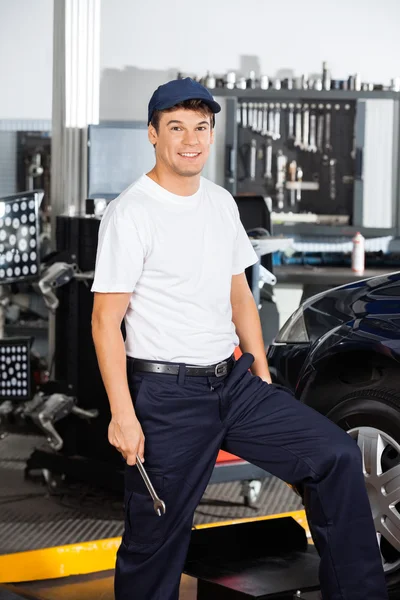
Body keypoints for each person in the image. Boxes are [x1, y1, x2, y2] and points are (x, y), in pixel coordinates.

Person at [91, 78, 388, 600]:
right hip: (167, 398)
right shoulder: (131, 213)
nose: (191, 139)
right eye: (177, 127)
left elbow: (240, 297)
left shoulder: (221, 202)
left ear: (211, 133)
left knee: (333, 457)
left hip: (232, 383)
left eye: (201, 128)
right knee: (155, 540)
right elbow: (104, 321)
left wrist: (263, 378)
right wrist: (123, 413)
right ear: (153, 135)